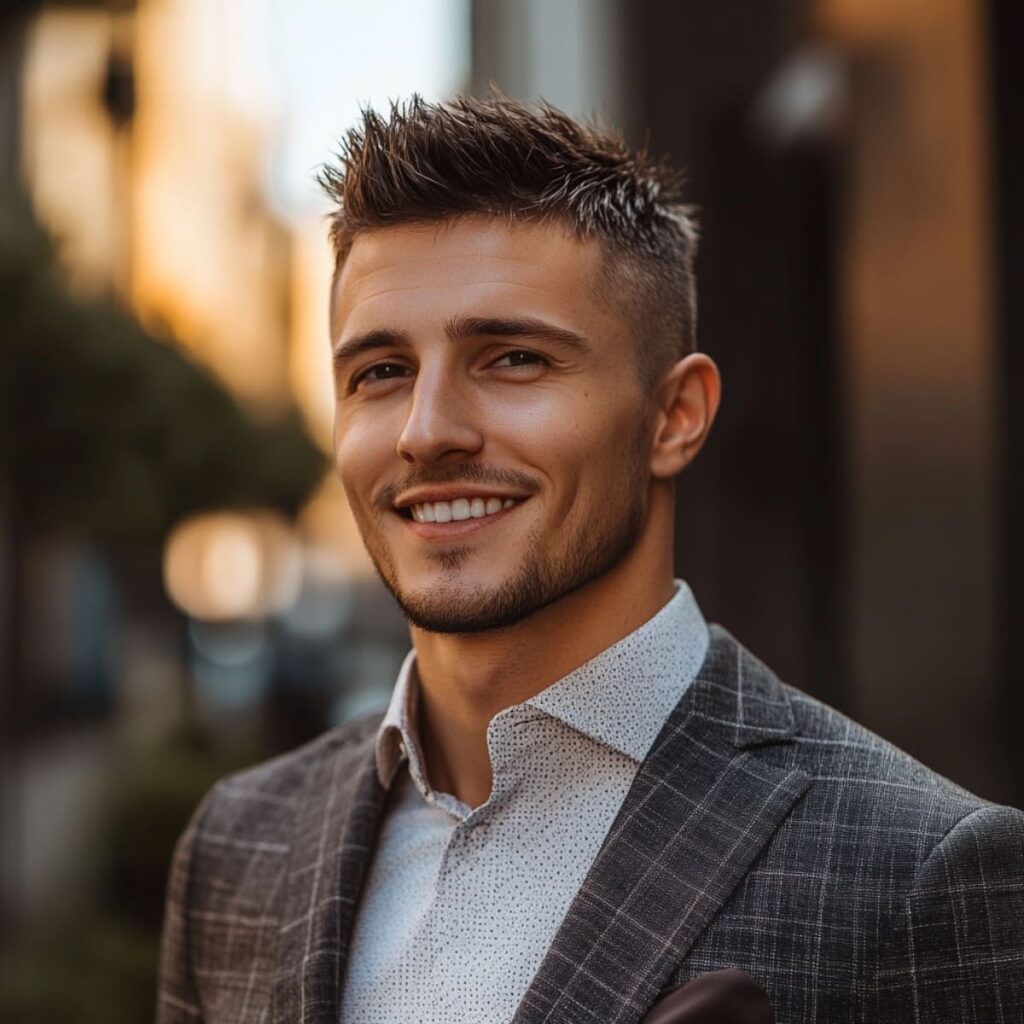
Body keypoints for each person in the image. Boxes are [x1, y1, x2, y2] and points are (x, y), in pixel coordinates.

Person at [155, 96, 1024, 1024]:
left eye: (514, 359)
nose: (426, 431)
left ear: (674, 415)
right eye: (380, 372)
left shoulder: (919, 869)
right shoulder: (236, 847)